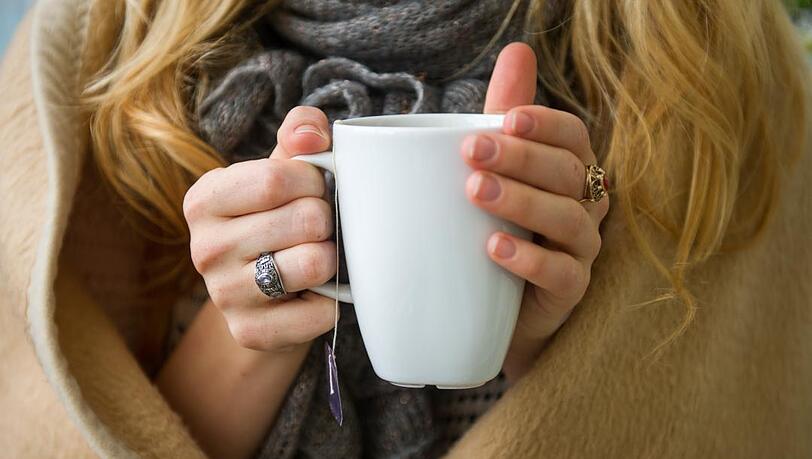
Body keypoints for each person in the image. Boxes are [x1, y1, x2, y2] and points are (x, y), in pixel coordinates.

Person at [0, 0, 809, 458]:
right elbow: (71, 431)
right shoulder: (100, 49)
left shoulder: (712, 62)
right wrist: (266, 308)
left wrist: (552, 347)